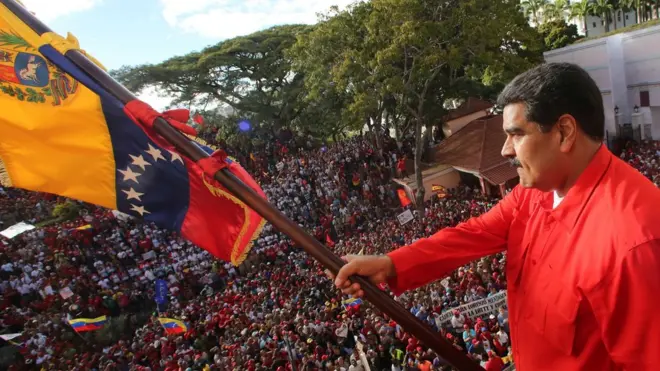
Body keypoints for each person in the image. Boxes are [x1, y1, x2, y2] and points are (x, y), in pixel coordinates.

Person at [331, 63, 660, 370]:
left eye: (516, 134)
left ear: (564, 132)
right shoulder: (536, 192)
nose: (505, 150)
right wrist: (390, 263)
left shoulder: (635, 241)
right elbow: (471, 235)